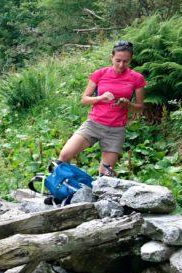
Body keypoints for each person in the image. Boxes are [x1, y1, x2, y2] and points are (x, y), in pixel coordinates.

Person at [57, 40, 146, 176]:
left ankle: (96, 193)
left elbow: (140, 107)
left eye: (126, 61)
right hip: (94, 124)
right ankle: (64, 188)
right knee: (64, 156)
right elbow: (85, 99)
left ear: (130, 60)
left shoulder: (137, 78)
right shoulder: (100, 74)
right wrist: (101, 98)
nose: (121, 65)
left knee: (105, 175)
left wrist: (127, 104)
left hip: (116, 130)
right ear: (111, 57)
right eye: (118, 60)